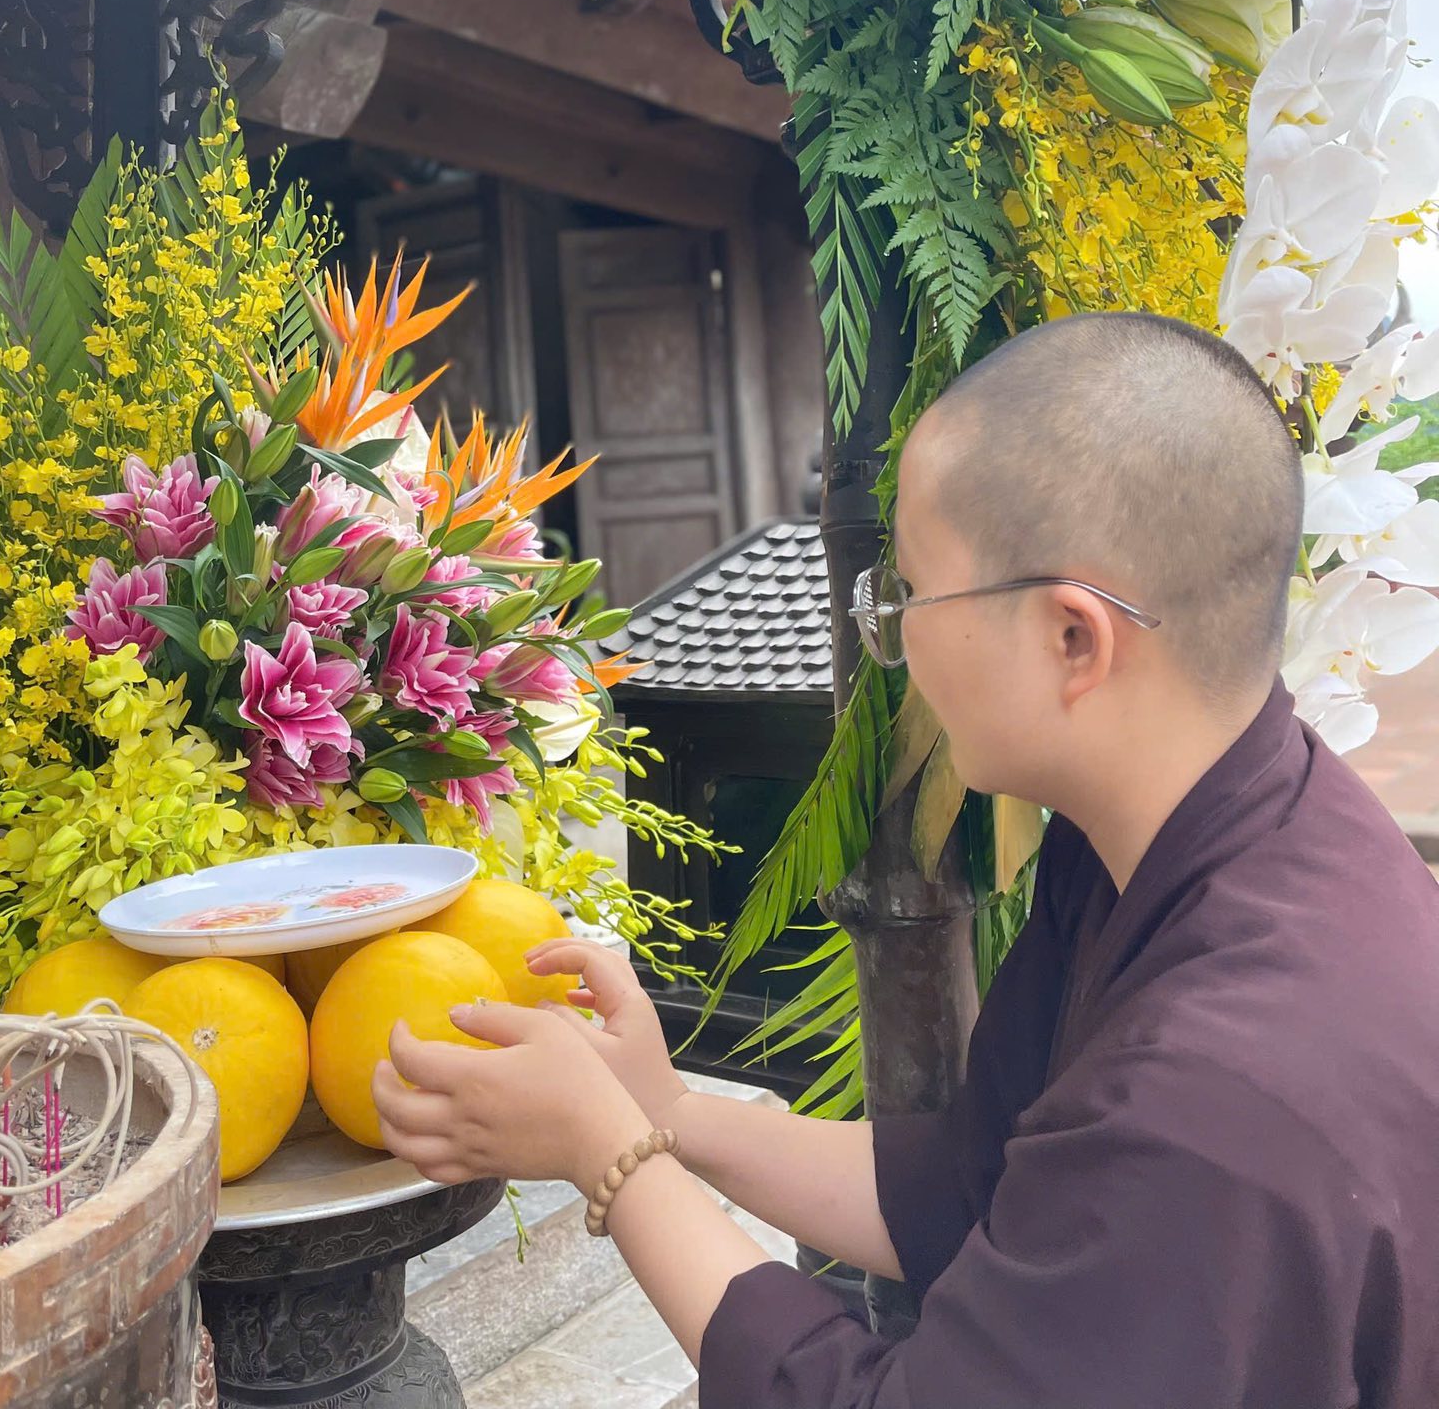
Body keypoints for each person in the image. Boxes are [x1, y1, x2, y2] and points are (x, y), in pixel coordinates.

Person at [373, 312, 1439, 1407]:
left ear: (1073, 637)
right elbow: (969, 1186)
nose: (894, 636)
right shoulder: (1198, 823)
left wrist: (610, 1156)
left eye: (912, 592)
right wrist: (662, 1110)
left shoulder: (1217, 1091)